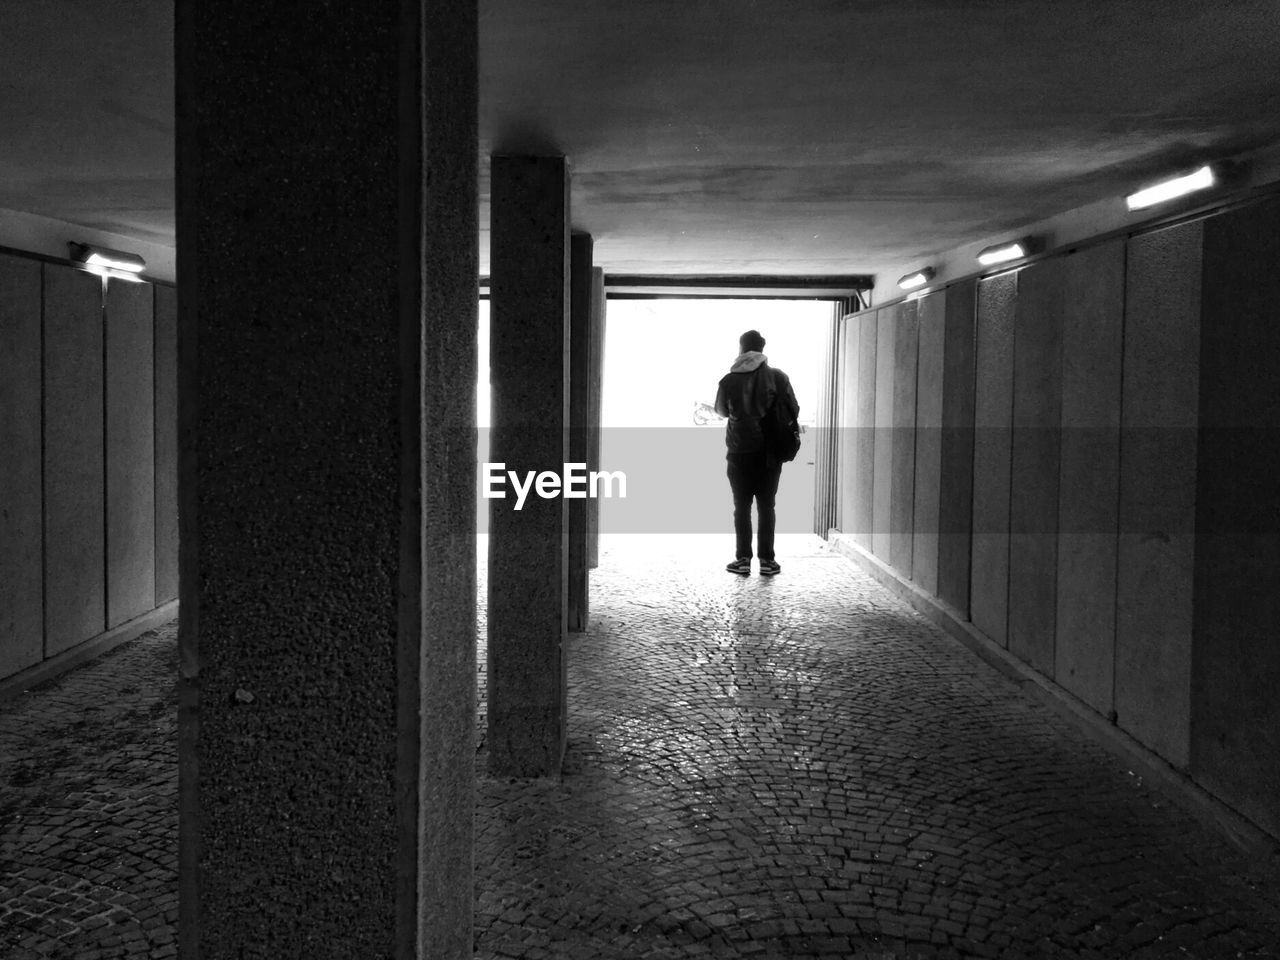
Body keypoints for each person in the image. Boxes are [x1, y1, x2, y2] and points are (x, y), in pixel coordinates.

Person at [714, 329, 800, 576]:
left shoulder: (729, 380)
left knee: (741, 506)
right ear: (763, 350)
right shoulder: (778, 377)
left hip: (739, 450)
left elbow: (721, 410)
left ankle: (742, 559)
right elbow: (793, 407)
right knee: (767, 506)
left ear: (741, 349)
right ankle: (767, 561)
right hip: (769, 452)